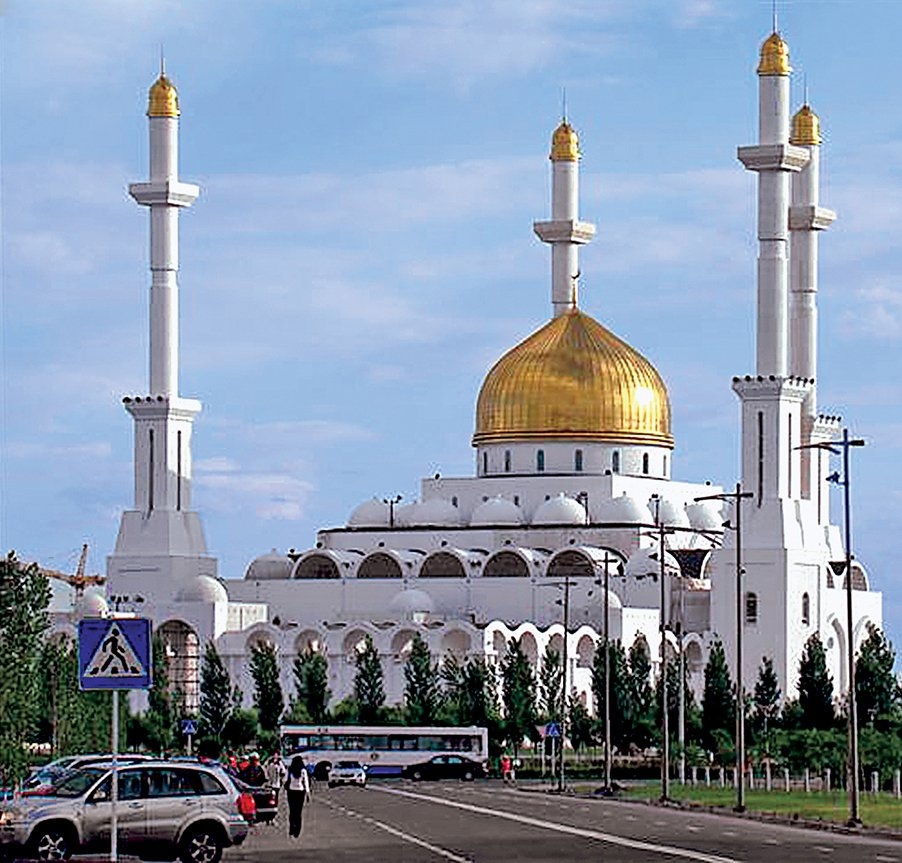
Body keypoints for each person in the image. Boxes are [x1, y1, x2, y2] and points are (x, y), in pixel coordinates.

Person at [285, 755, 311, 839]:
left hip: (291, 792)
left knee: (292, 811)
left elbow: (286, 780)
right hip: (300, 792)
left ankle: (291, 829)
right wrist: (307, 794)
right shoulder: (303, 771)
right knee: (298, 812)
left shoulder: (290, 770)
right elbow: (306, 783)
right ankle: (297, 831)